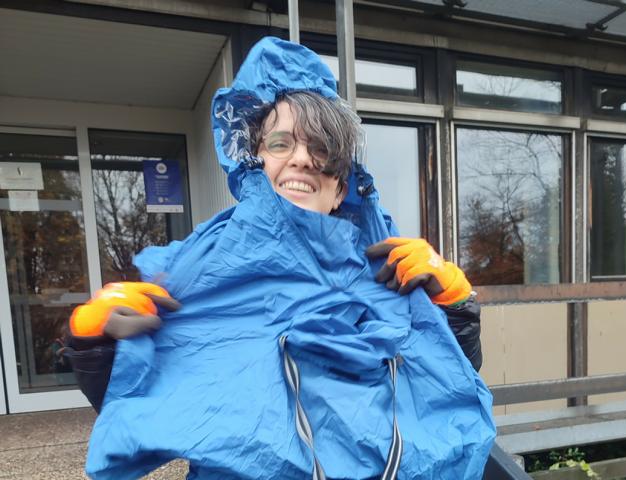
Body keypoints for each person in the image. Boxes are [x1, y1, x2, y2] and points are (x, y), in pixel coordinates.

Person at [67, 37, 493, 480]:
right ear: (256, 160)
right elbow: (134, 400)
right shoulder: (204, 269)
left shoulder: (386, 269)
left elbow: (445, 391)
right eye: (281, 143)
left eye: (321, 148)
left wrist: (455, 306)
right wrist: (94, 340)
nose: (302, 159)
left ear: (342, 188)